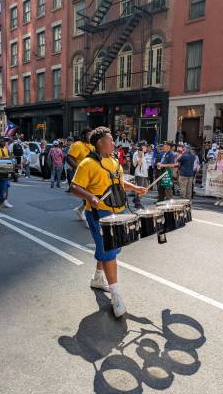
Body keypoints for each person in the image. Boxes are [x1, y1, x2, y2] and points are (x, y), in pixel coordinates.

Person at [71, 127, 147, 317]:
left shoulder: (114, 161)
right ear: (100, 143)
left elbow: (119, 183)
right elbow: (75, 187)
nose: (114, 143)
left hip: (118, 210)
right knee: (109, 252)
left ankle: (98, 277)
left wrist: (135, 187)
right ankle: (116, 296)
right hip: (99, 213)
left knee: (109, 248)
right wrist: (90, 196)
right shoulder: (87, 163)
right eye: (111, 140)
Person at [68, 128, 94, 221]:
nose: (91, 136)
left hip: (92, 174)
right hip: (82, 175)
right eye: (89, 134)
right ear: (83, 135)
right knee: (89, 196)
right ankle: (89, 219)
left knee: (92, 195)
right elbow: (70, 158)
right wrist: (78, 168)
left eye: (92, 134)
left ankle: (80, 210)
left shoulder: (92, 145)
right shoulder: (78, 145)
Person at [132, 141, 149, 209]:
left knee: (145, 188)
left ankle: (136, 199)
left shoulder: (143, 153)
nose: (146, 147)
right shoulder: (137, 153)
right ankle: (137, 203)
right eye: (145, 146)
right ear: (142, 147)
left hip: (144, 174)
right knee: (140, 189)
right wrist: (141, 154)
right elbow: (139, 163)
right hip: (139, 174)